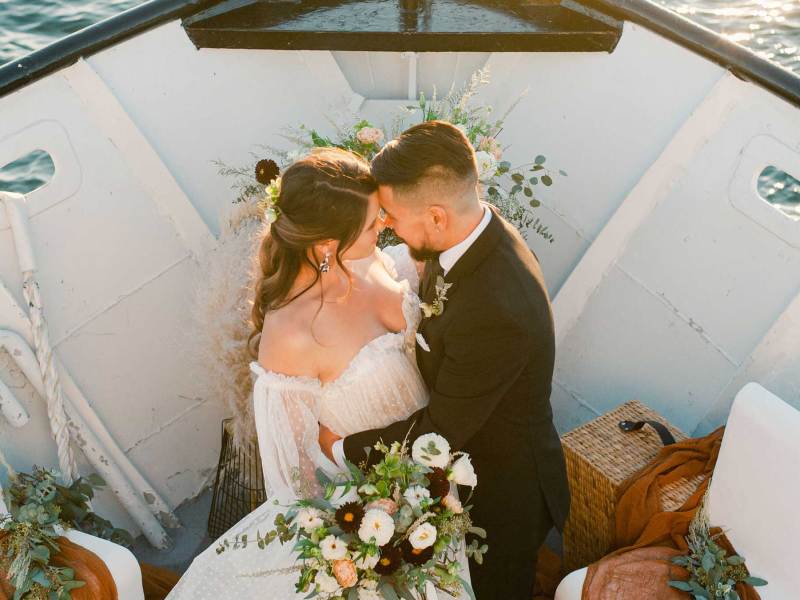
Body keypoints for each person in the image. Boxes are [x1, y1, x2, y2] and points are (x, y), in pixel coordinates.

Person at [167, 147, 468, 599]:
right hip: (389, 513)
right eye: (373, 223)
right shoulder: (292, 335)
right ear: (328, 244)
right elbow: (297, 486)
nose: (384, 226)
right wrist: (375, 535)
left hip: (440, 470)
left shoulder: (371, 260)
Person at [319, 121, 571, 600]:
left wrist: (340, 448)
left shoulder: (498, 308)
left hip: (504, 495)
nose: (387, 224)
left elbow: (439, 432)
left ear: (435, 217)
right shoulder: (471, 230)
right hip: (472, 455)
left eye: (390, 214)